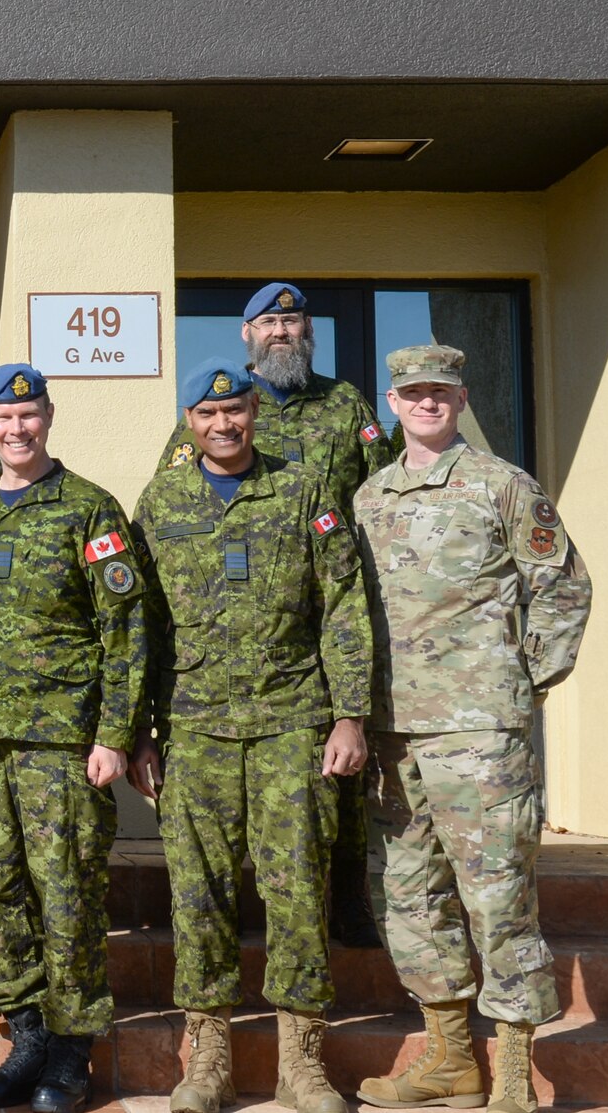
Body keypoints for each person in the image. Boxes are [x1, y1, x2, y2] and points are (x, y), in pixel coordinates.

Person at [130, 359, 374, 1113]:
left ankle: (302, 1062)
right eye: (208, 415)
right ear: (190, 424)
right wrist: (139, 730)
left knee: (298, 885)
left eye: (235, 410)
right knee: (197, 893)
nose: (224, 424)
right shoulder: (161, 501)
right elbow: (142, 626)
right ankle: (209, 1059)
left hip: (291, 719)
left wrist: (349, 713)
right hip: (195, 725)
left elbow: (343, 604)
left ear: (254, 414)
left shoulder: (304, 490)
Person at [353, 346, 591, 1113]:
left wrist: (523, 680)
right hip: (392, 733)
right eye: (414, 392)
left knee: (496, 893)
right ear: (392, 401)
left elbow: (562, 586)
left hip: (481, 731)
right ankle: (451, 1056)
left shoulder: (502, 485)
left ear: (462, 398)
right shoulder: (369, 499)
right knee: (408, 892)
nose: (428, 403)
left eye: (442, 392)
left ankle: (516, 1069)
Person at [155, 283, 393, 947]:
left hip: (327, 615)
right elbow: (175, 505)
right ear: (247, 333)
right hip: (234, 638)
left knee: (337, 778)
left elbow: (381, 493)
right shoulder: (208, 414)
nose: (281, 330)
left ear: (307, 327)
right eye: (269, 321)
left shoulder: (346, 405)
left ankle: (348, 903)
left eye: (291, 319)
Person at [0, 364, 151, 1113]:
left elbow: (125, 633)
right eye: (2, 418)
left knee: (67, 897)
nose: (16, 429)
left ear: (49, 417)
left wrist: (115, 736)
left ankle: (71, 1051)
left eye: (27, 415)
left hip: (63, 744)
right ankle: (26, 1036)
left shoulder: (91, 509)